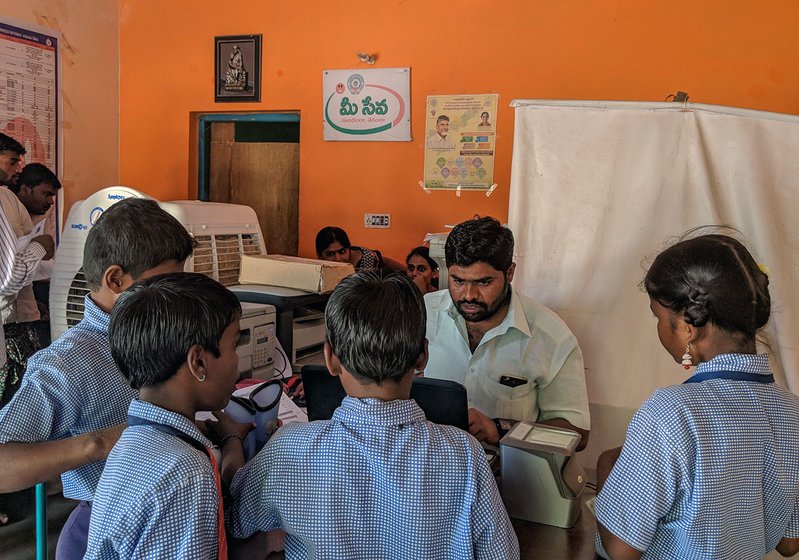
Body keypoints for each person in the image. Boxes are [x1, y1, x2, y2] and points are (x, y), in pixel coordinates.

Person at [228, 271, 519, 559]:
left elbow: (233, 521)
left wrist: (230, 441)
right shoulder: (464, 453)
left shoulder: (290, 446)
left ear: (330, 358)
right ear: (422, 356)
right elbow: (501, 553)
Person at [0, 198, 194, 559]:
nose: (172, 298)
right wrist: (100, 444)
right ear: (116, 279)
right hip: (103, 525)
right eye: (161, 285)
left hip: (167, 507)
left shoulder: (163, 336)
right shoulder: (66, 364)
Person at [594, 233, 799, 560]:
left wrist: (607, 470)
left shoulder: (670, 412)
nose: (659, 329)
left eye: (659, 318)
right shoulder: (792, 412)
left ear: (689, 327)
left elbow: (621, 549)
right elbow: (789, 544)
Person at [84, 272, 252, 559]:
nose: (237, 358)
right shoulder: (185, 474)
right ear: (198, 361)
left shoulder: (134, 441)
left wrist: (232, 442)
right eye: (234, 345)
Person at [423, 216, 590, 448]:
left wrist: (500, 428)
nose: (469, 295)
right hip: (430, 466)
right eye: (458, 281)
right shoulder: (423, 315)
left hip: (509, 475)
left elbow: (577, 433)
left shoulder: (550, 336)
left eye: (483, 282)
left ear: (510, 273)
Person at [0, 135, 55, 407]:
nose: (17, 169)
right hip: (10, 324)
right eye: (12, 161)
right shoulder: (3, 198)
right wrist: (38, 247)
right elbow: (8, 279)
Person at [12, 163, 62, 348]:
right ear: (25, 190)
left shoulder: (41, 216)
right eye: (46, 194)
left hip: (33, 295)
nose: (50, 202)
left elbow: (47, 257)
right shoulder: (9, 217)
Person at [315, 225, 404, 272]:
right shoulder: (318, 269)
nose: (338, 259)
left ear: (349, 249)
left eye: (342, 252)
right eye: (330, 254)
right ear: (319, 256)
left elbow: (386, 261)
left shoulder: (367, 261)